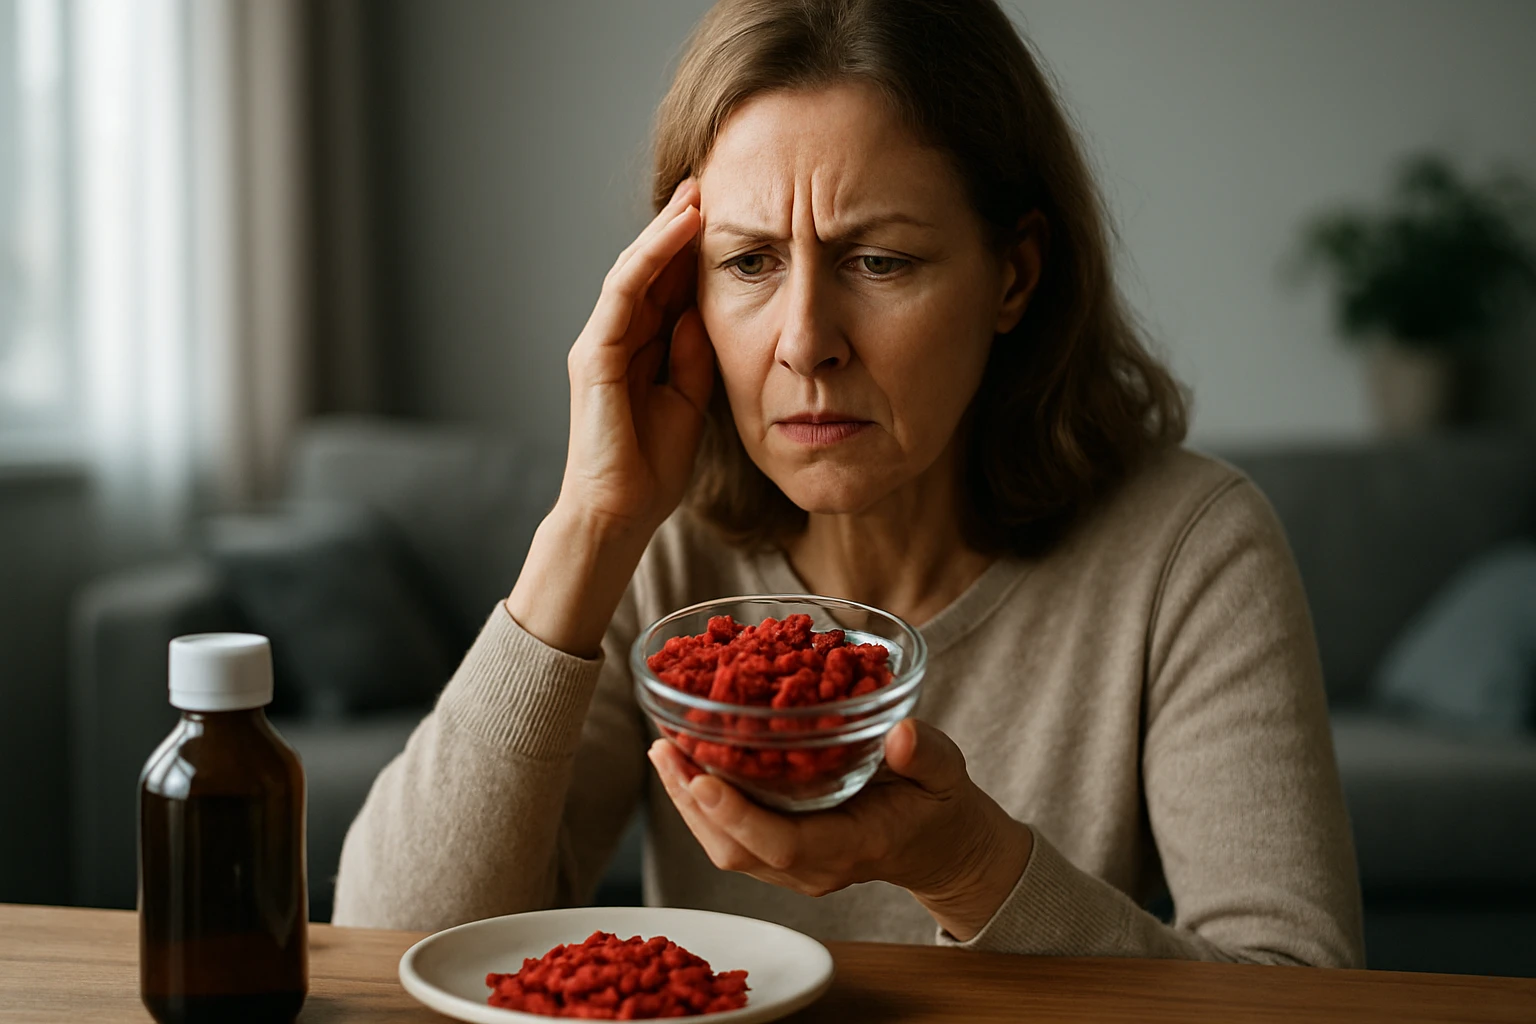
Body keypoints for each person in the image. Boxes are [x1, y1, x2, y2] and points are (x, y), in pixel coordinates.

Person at [333, 0, 1363, 966]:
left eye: (878, 261)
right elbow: (385, 948)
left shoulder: (1190, 546)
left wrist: (965, 866)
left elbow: (1300, 993)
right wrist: (590, 524)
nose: (805, 343)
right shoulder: (662, 551)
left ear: (1015, 274)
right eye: (748, 264)